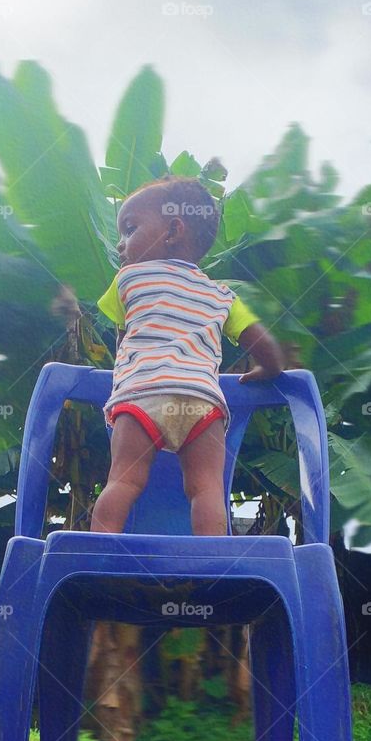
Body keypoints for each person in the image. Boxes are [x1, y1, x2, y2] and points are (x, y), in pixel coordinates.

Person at [90, 178, 284, 536]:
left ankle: (97, 552)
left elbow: (124, 341)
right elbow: (267, 348)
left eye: (130, 229)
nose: (121, 244)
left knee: (124, 481)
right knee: (206, 488)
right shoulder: (221, 295)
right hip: (201, 402)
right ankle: (210, 562)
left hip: (141, 394)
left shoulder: (128, 279)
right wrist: (266, 370)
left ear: (173, 231)